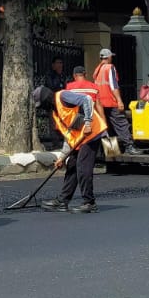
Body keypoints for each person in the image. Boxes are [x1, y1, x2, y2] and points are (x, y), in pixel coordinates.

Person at [32, 85, 107, 214]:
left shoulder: (63, 97)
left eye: (42, 105)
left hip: (91, 134)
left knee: (83, 167)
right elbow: (69, 134)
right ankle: (63, 201)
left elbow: (87, 99)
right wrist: (62, 157)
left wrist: (88, 123)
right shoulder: (56, 112)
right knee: (71, 165)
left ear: (46, 99)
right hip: (79, 139)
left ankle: (89, 203)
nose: (43, 108)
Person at [93, 47, 137, 153]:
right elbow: (114, 86)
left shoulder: (97, 70)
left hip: (100, 103)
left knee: (107, 126)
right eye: (111, 57)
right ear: (108, 57)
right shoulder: (110, 67)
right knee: (121, 124)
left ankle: (110, 151)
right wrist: (119, 101)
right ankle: (129, 147)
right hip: (110, 101)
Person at [37, 57, 69, 148]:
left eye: (61, 63)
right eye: (58, 63)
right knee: (53, 122)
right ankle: (56, 143)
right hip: (53, 102)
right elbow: (52, 86)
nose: (60, 65)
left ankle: (63, 141)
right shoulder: (50, 75)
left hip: (62, 102)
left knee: (63, 121)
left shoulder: (62, 75)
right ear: (53, 65)